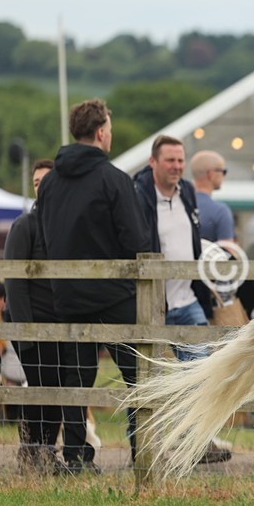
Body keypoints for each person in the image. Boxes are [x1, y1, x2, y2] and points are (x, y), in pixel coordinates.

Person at [36, 98, 150, 472]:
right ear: (101, 132)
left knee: (77, 378)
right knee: (138, 375)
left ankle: (75, 457)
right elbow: (136, 240)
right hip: (113, 294)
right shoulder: (114, 179)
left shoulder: (50, 181)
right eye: (110, 130)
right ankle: (142, 453)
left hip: (66, 294)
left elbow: (45, 233)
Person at [132, 136, 229, 464]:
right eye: (169, 160)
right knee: (145, 380)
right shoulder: (138, 195)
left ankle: (198, 444)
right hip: (151, 304)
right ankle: (143, 452)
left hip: (187, 300)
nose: (176, 167)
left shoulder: (187, 192)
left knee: (202, 374)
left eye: (180, 160)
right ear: (153, 163)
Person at [4, 159, 70, 473]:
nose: (41, 185)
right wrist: (25, 331)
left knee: (57, 389)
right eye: (36, 181)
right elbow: (14, 283)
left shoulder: (65, 226)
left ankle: (46, 453)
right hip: (32, 326)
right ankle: (31, 453)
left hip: (63, 327)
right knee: (40, 389)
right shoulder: (24, 226)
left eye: (47, 179)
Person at [190, 150, 236, 245]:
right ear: (211, 174)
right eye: (223, 171)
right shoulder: (220, 211)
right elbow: (228, 250)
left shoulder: (179, 205)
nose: (224, 176)